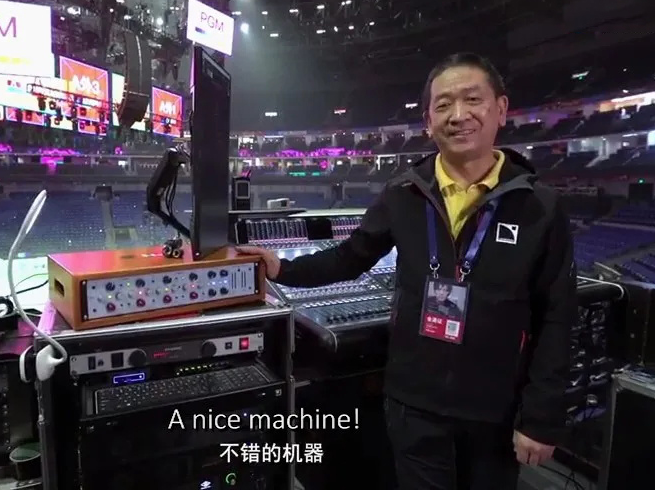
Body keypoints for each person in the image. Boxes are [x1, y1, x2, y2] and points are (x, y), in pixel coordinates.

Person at [238, 52, 577, 490]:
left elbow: (556, 315)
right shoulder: (402, 193)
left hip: (496, 409)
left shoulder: (539, 206)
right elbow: (350, 257)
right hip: (414, 405)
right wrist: (281, 268)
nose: (458, 115)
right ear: (428, 121)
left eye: (473, 99)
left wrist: (541, 416)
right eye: (443, 104)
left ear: (500, 109)